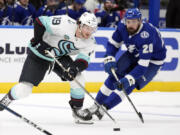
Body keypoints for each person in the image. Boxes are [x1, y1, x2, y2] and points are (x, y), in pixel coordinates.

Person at [0, 12, 98, 124]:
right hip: (39, 53)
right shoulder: (65, 22)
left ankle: (77, 111)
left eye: (92, 29)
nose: (89, 32)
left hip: (59, 56)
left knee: (78, 78)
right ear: (79, 24)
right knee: (24, 90)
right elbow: (40, 21)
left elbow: (84, 60)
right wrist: (38, 41)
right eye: (87, 28)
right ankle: (8, 98)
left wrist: (74, 69)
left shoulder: (90, 42)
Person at [83, 8, 167, 120]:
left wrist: (129, 78)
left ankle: (104, 108)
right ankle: (95, 105)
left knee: (130, 84)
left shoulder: (147, 35)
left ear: (140, 21)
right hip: (133, 52)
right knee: (114, 75)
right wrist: (109, 56)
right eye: (128, 21)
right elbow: (113, 44)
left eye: (134, 21)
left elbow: (142, 66)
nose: (130, 25)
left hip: (153, 60)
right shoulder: (122, 26)